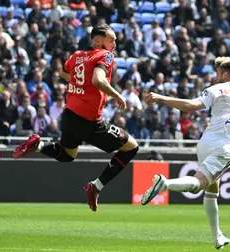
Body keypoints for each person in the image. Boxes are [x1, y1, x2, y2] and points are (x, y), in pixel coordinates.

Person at [140, 57, 230, 249]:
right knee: (198, 184)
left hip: (206, 141)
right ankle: (165, 184)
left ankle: (216, 236)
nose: (216, 75)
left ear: (226, 74)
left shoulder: (216, 89)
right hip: (227, 146)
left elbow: (192, 106)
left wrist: (162, 98)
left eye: (218, 72)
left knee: (212, 189)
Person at [12, 24, 139, 212]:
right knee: (131, 147)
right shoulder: (105, 55)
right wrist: (117, 95)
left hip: (69, 114)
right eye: (111, 39)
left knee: (67, 155)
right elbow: (98, 79)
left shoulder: (78, 55)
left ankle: (37, 145)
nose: (115, 43)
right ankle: (96, 186)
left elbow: (63, 72)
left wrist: (81, 83)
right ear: (98, 41)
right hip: (88, 120)